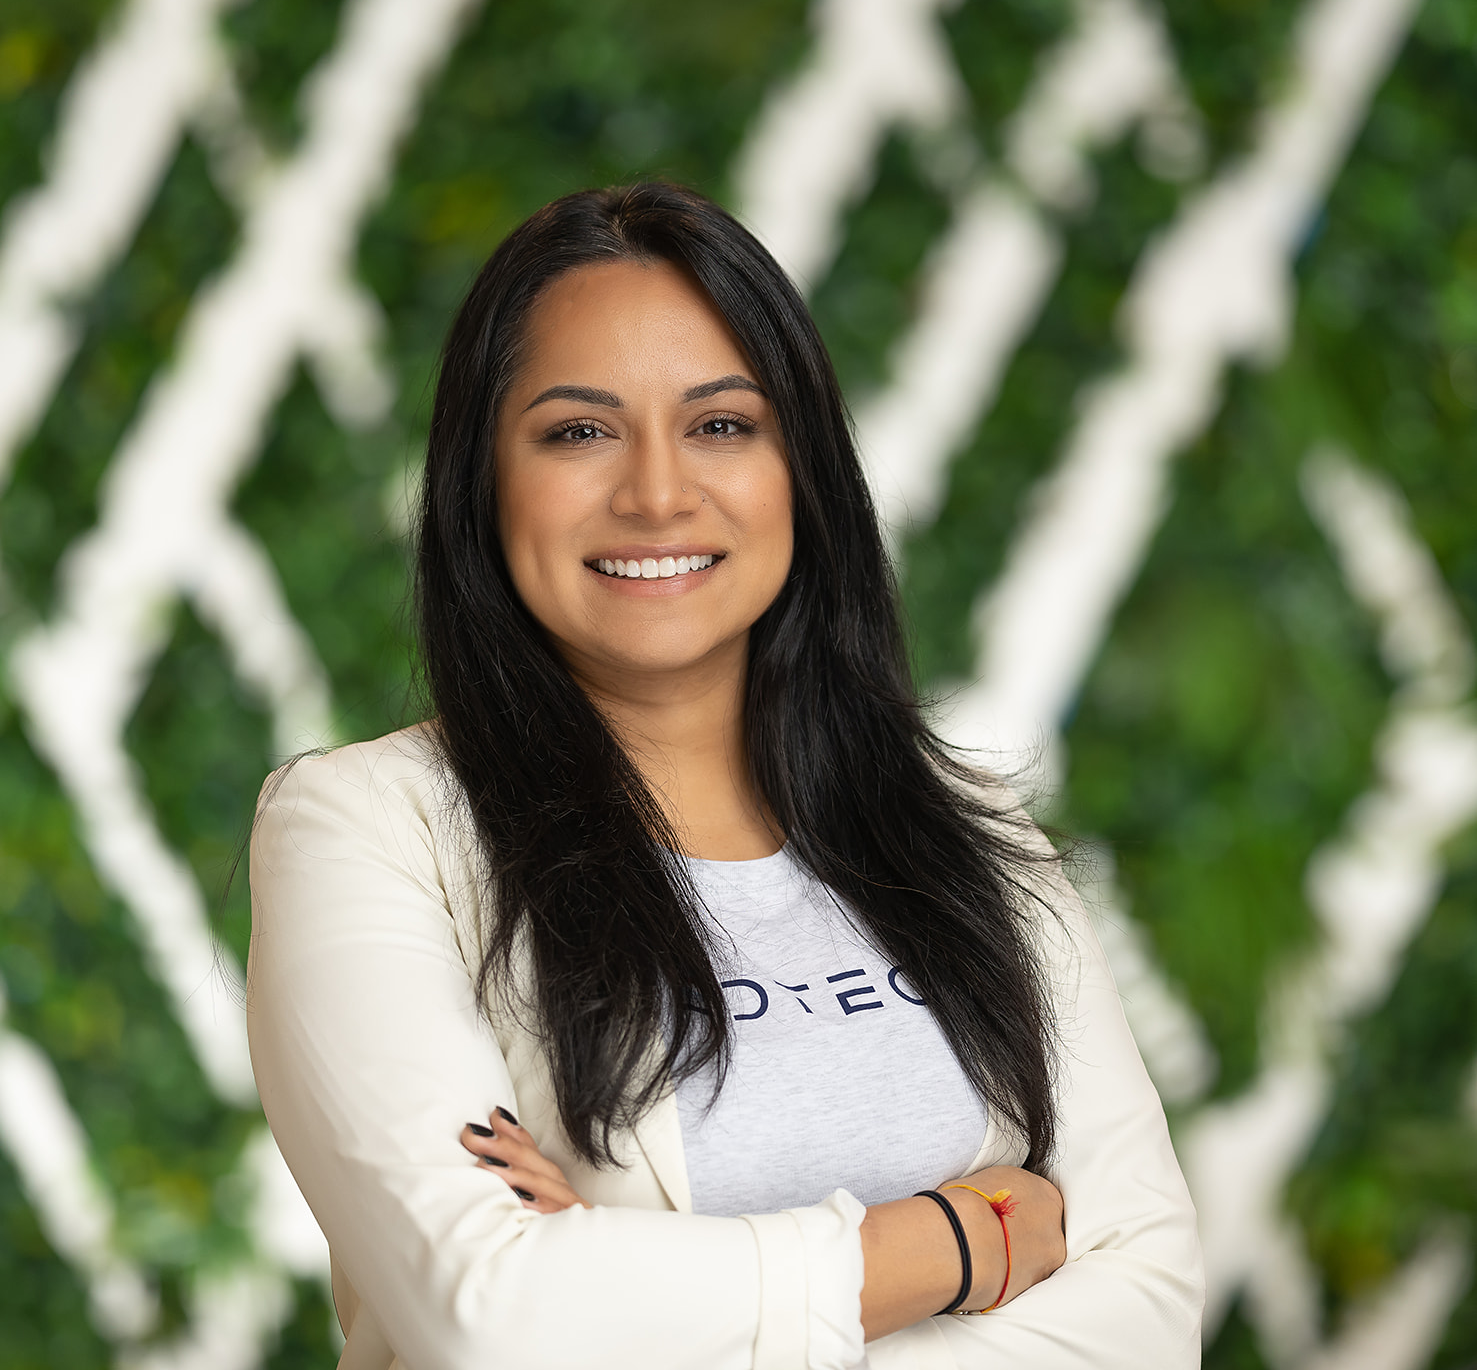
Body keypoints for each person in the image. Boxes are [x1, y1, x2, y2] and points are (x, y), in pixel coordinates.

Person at [246, 182, 1203, 1369]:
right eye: (579, 431)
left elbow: (1149, 1309)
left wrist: (628, 1281)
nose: (656, 493)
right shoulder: (369, 829)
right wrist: (956, 1245)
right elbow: (488, 1316)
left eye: (721, 425)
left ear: (800, 468)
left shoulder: (972, 837)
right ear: (483, 480)